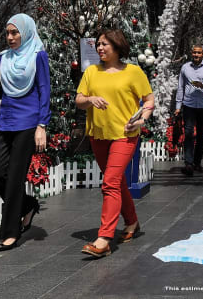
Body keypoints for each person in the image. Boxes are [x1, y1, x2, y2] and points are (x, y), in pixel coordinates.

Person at [76, 29, 154, 257]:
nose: (99, 48)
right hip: (98, 135)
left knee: (109, 182)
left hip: (125, 135)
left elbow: (149, 101)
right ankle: (132, 222)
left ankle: (104, 238)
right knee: (116, 181)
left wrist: (141, 120)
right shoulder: (91, 72)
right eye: (98, 44)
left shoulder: (133, 72)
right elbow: (79, 100)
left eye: (104, 44)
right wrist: (89, 99)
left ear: (117, 46)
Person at [0, 14, 50, 252]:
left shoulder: (37, 56)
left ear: (26, 32)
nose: (10, 37)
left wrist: (42, 126)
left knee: (14, 178)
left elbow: (44, 90)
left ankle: (10, 233)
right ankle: (28, 204)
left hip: (29, 122)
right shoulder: (3, 58)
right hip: (5, 121)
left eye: (15, 33)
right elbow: (0, 96)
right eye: (8, 33)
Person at [175, 45, 203, 176]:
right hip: (188, 105)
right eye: (194, 52)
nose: (196, 55)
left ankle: (197, 163)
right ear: (191, 53)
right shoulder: (185, 67)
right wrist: (178, 107)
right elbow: (180, 87)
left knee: (201, 135)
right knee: (188, 133)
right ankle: (188, 163)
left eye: (199, 53)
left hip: (202, 106)